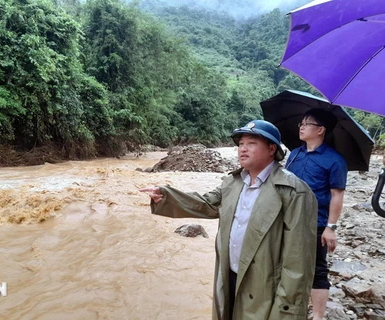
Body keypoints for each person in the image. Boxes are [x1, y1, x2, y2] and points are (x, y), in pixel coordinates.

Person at [140, 120, 317, 320]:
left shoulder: (294, 191)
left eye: (251, 143)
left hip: (265, 285)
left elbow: (298, 262)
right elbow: (207, 204)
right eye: (240, 144)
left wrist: (287, 311)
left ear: (271, 148)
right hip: (230, 274)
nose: (243, 149)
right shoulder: (234, 182)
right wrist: (166, 196)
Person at [285, 109, 347, 320]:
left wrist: (331, 227)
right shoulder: (294, 155)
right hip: (289, 219)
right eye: (301, 123)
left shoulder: (335, 160)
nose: (301, 126)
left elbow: (337, 195)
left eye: (307, 123)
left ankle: (318, 316)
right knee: (286, 263)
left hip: (316, 223)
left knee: (317, 269)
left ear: (320, 130)